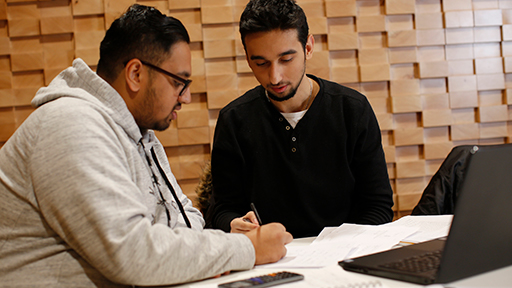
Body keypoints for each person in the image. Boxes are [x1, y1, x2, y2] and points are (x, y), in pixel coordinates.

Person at [0, 4, 292, 287]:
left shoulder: (138, 133)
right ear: (136, 74)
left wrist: (226, 242)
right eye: (179, 82)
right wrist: (247, 248)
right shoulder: (71, 124)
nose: (186, 97)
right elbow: (132, 253)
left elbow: (184, 219)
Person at [205, 0, 394, 238]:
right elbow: (222, 209)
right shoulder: (234, 120)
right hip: (269, 258)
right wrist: (234, 223)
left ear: (308, 47)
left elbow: (377, 205)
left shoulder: (352, 110)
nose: (275, 77)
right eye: (260, 63)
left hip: (342, 256)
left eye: (286, 59)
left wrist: (344, 248)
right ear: (247, 57)